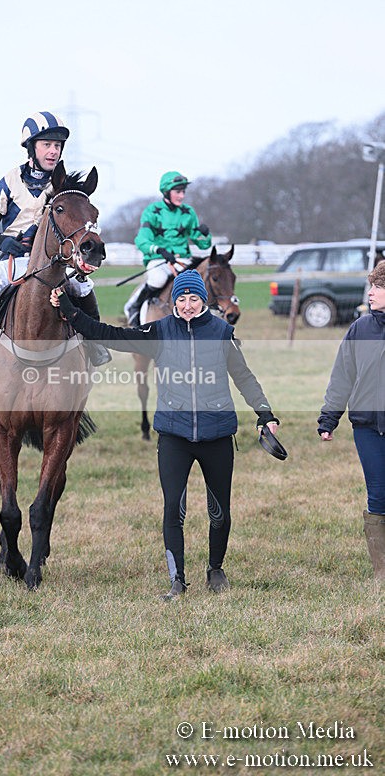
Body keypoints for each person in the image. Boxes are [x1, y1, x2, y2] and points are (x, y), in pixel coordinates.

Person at [50, 269, 280, 599]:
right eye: (181, 299)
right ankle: (177, 579)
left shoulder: (221, 332)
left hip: (217, 436)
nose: (187, 305)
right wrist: (72, 312)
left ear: (204, 300)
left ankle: (215, 569)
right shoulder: (158, 331)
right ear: (173, 302)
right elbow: (109, 335)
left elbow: (244, 377)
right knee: (173, 508)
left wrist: (264, 413)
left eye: (194, 298)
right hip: (173, 436)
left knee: (220, 510)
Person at [0, 111, 108, 387]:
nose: (53, 151)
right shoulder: (9, 181)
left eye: (57, 146)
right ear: (31, 147)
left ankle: (95, 344)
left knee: (85, 287)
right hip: (15, 260)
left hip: (54, 262)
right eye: (47, 144)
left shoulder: (63, 186)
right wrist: (1, 241)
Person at [317, 260, 385, 580]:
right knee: (378, 495)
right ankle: (381, 571)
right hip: (367, 428)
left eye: (378, 286)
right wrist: (329, 418)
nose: (370, 292)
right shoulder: (360, 328)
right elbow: (343, 376)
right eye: (371, 285)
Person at [124, 171, 212, 326]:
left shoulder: (188, 212)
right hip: (159, 260)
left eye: (183, 192)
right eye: (178, 192)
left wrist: (204, 234)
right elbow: (141, 240)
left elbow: (203, 244)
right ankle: (135, 306)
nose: (182, 196)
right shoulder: (152, 211)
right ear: (166, 192)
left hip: (184, 260)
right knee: (158, 279)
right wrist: (159, 250)